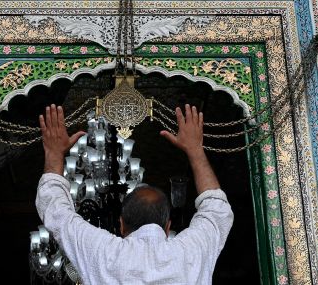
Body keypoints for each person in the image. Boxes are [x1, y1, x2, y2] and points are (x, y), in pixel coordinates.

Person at [36, 104, 234, 284]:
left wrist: (54, 153)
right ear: (168, 227)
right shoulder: (189, 253)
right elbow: (217, 210)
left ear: (121, 225)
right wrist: (195, 151)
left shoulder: (104, 253)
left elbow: (56, 211)